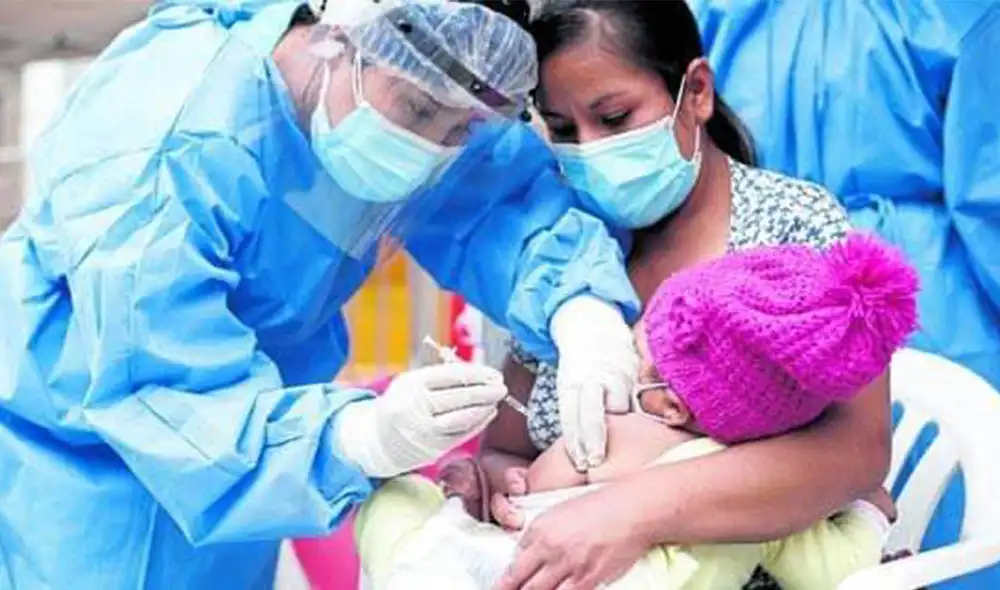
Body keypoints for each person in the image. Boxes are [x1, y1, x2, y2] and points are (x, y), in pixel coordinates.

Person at [0, 1, 643, 588]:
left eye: (461, 128)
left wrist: (580, 307)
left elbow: (499, 202)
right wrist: (358, 438)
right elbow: (162, 383)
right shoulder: (174, 144)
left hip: (245, 467)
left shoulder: (419, 93)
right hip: (74, 463)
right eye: (419, 111)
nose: (433, 147)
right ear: (339, 35)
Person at [434, 2, 896, 589]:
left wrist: (634, 512)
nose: (591, 150)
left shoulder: (790, 232)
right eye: (564, 130)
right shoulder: (563, 252)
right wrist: (501, 487)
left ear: (695, 92)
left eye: (615, 117)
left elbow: (857, 451)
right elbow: (506, 446)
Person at [352, 232, 918, 590]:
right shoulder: (761, 505)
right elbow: (830, 571)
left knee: (395, 500)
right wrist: (865, 517)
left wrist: (483, 486)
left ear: (670, 403)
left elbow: (526, 494)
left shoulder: (629, 432)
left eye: (638, 346)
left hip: (476, 568)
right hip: (508, 561)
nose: (624, 347)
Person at [688, 5, 1000, 585]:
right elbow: (988, 190)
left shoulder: (717, 11)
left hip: (765, 304)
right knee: (954, 535)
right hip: (937, 304)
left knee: (785, 540)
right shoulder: (960, 11)